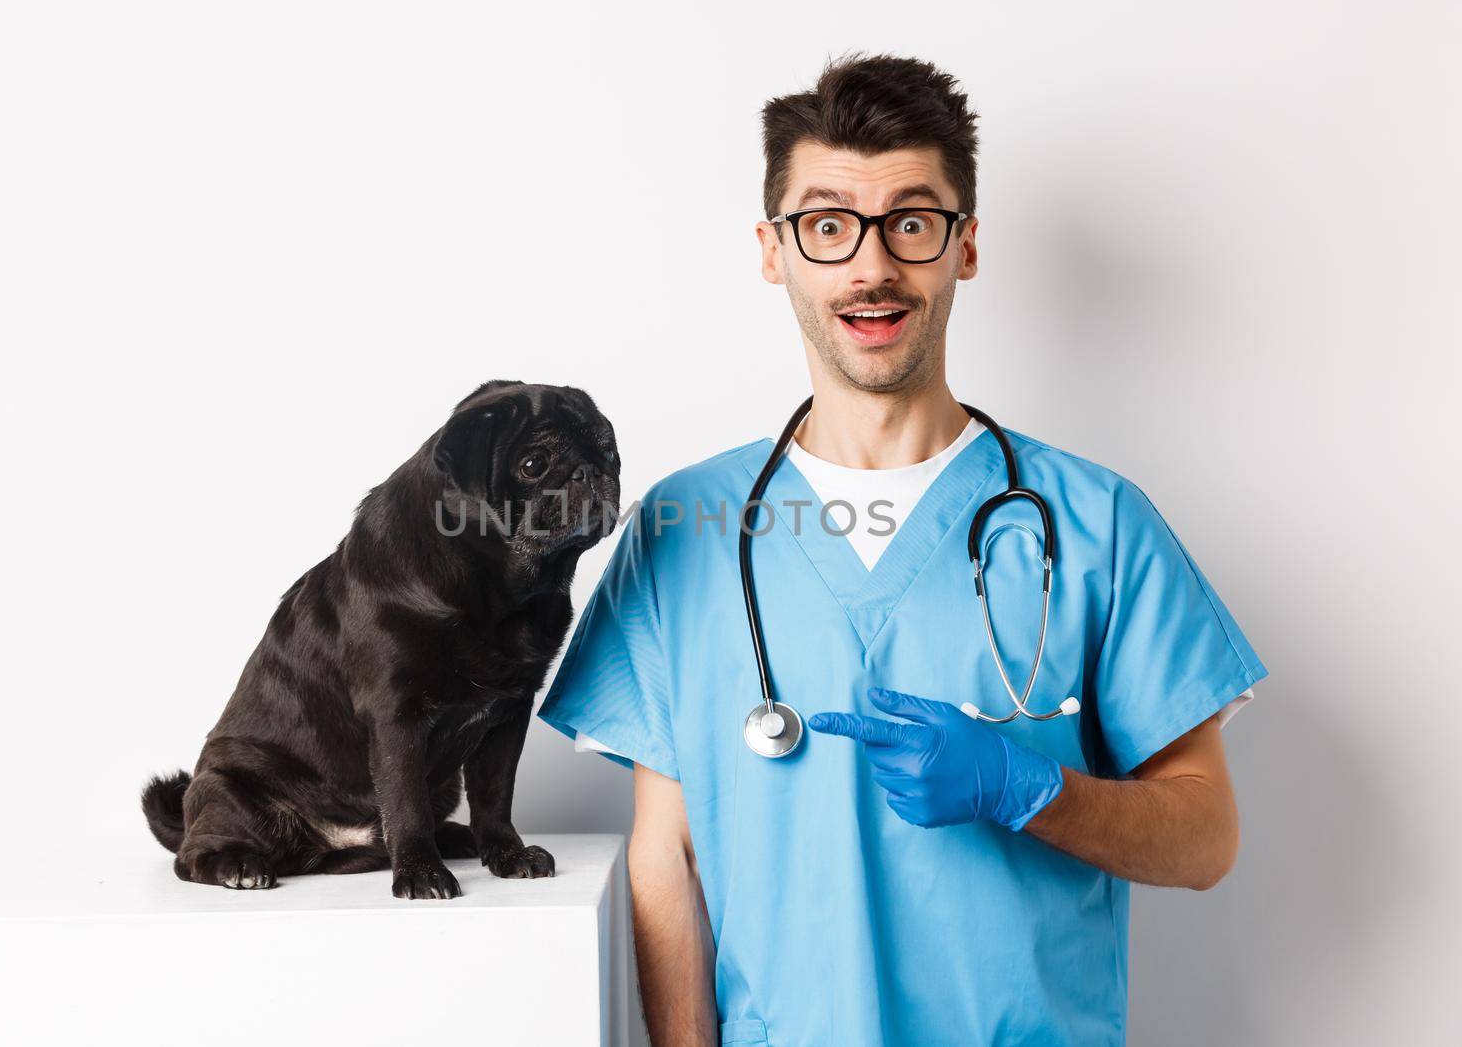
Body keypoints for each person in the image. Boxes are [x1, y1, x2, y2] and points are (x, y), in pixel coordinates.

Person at [536, 52, 1267, 1047]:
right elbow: (669, 858)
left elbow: (1205, 839)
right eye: (827, 225)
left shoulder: (1095, 523)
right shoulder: (683, 530)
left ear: (963, 247)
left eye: (911, 223)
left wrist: (1031, 786)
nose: (871, 268)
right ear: (773, 248)